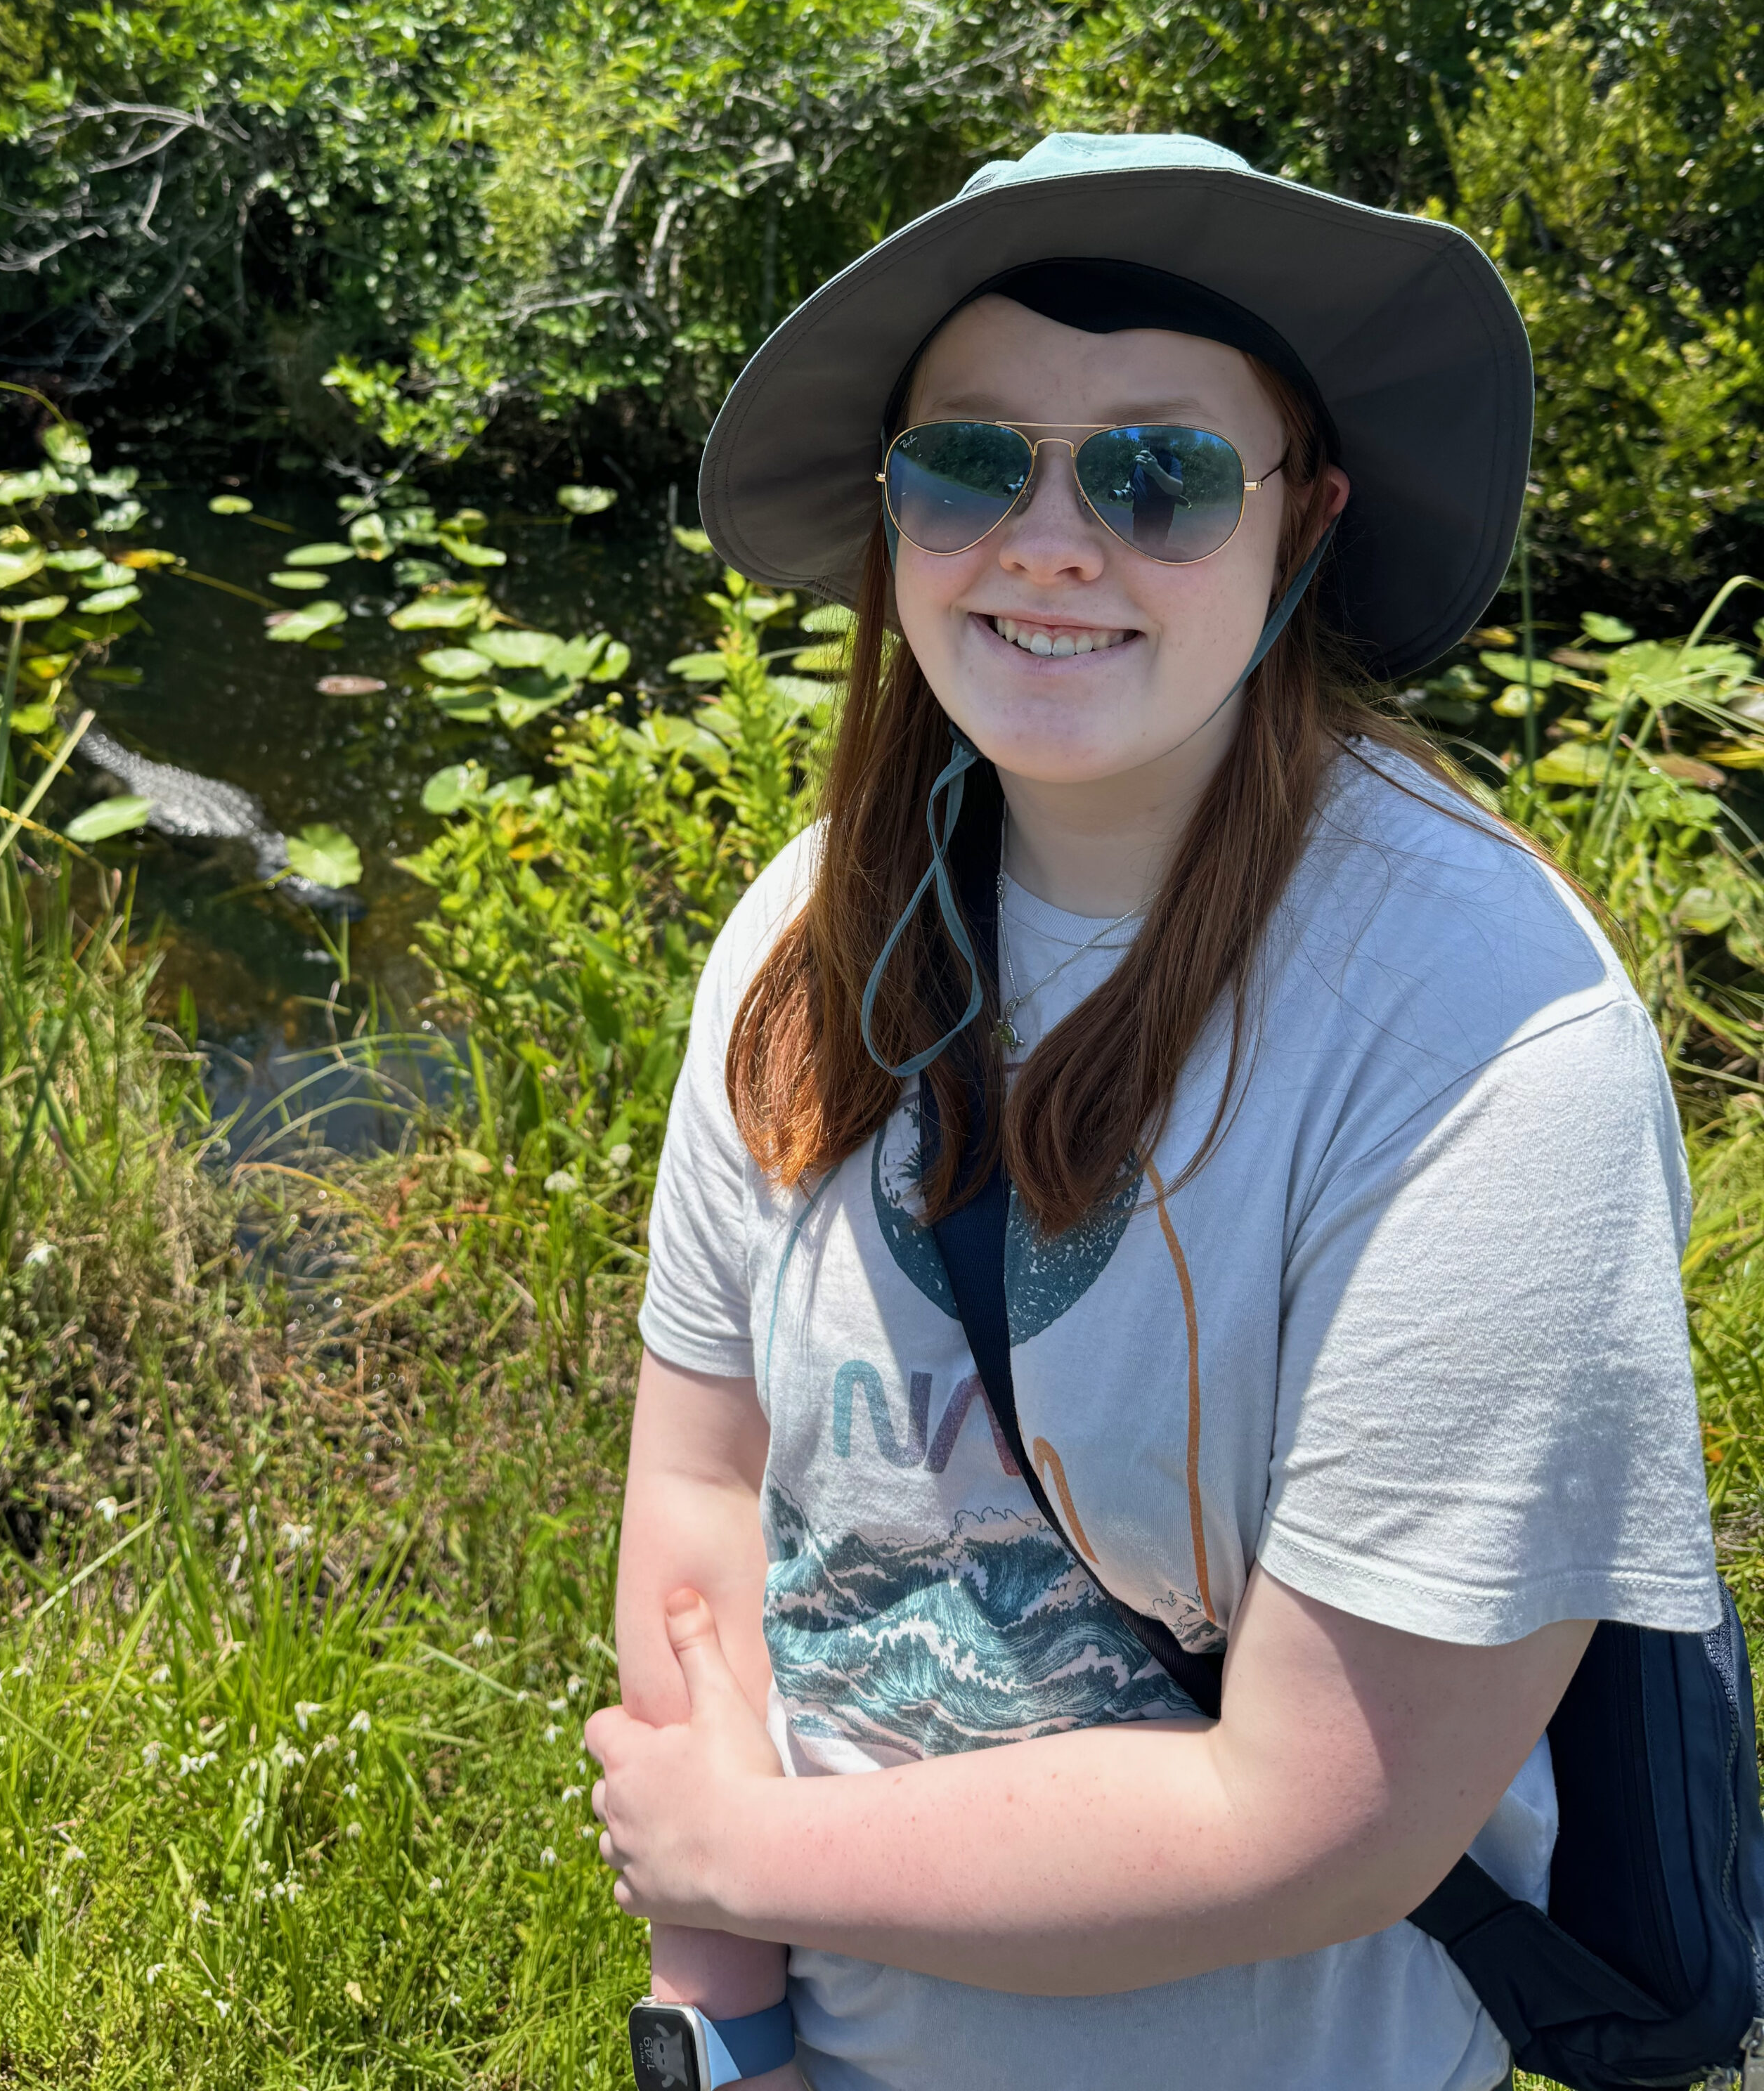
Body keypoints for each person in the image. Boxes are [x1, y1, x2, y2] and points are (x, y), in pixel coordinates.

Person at [583, 131, 1720, 2091]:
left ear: (1306, 522)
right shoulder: (801, 940)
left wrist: (741, 1850)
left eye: (1159, 472)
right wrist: (728, 2017)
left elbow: (1324, 1812)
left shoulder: (1489, 1041)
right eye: (969, 461)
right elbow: (704, 1495)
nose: (1045, 540)